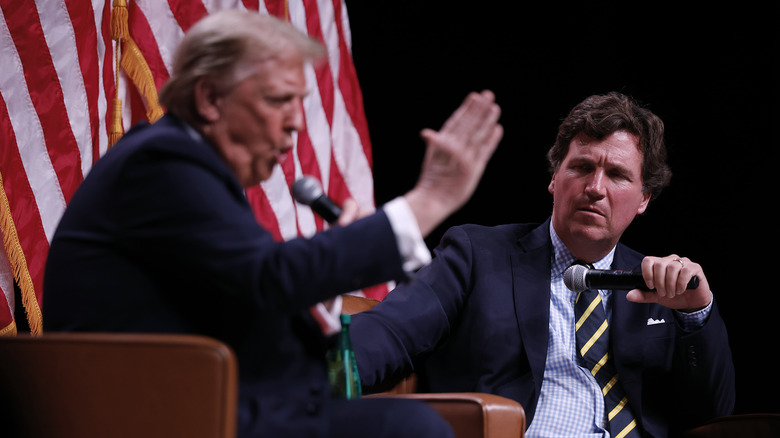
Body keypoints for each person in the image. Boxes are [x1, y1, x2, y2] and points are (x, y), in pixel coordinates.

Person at [42, 10, 503, 438]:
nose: (296, 123)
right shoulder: (162, 164)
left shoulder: (191, 170)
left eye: (300, 102)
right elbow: (270, 278)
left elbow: (249, 296)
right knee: (410, 429)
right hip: (162, 413)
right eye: (279, 100)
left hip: (205, 399)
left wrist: (324, 290)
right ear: (209, 98)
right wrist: (427, 202)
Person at [351, 92, 735, 437]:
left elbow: (712, 414)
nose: (595, 188)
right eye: (582, 167)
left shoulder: (659, 285)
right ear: (555, 178)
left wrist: (696, 315)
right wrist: (312, 370)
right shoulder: (477, 255)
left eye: (617, 174)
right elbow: (391, 334)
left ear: (643, 199)